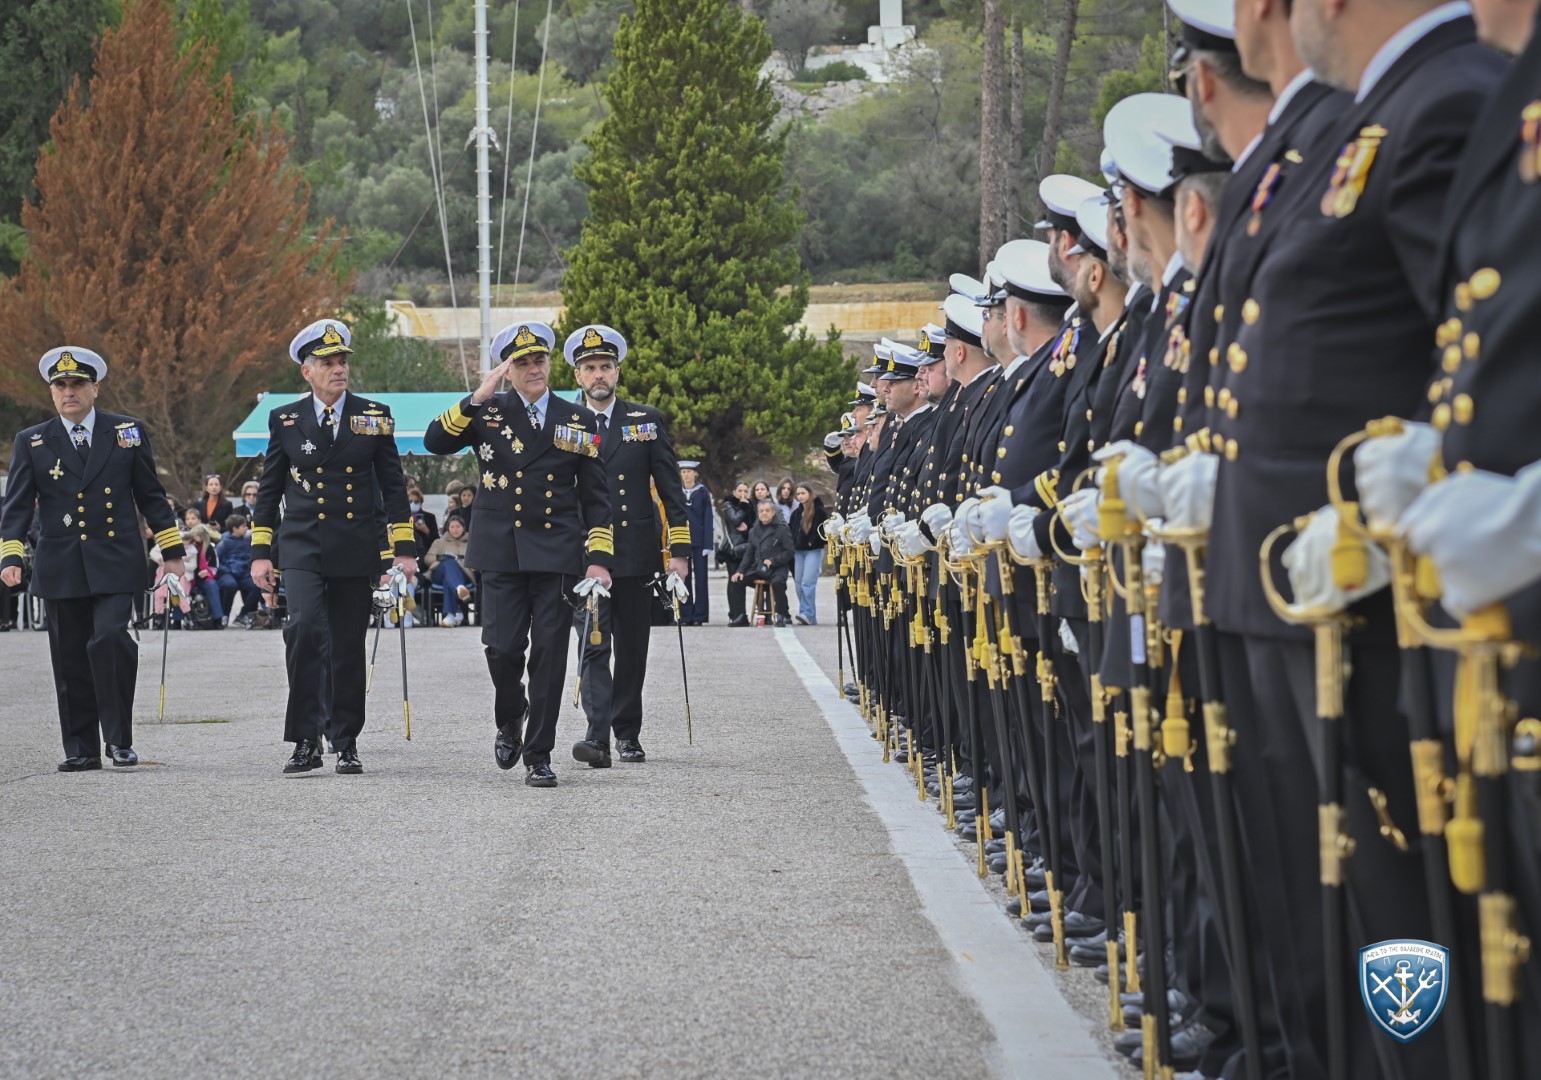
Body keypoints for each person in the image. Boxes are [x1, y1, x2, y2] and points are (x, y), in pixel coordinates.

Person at [423, 321, 612, 788]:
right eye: (522, 363)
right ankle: (511, 715)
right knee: (502, 648)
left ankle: (538, 754)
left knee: (549, 655)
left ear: (549, 364)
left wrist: (598, 558)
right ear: (507, 371)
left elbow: (595, 495)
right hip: (501, 549)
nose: (533, 369)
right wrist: (476, 396)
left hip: (556, 551)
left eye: (539, 360)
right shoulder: (488, 411)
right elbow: (434, 441)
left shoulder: (577, 419)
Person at [0, 346, 186, 770]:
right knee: (69, 657)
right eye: (61, 385)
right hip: (62, 561)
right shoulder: (33, 441)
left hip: (116, 558)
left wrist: (172, 553)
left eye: (78, 384)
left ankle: (118, 740)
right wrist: (11, 555)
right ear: (52, 393)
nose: (69, 392)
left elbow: (151, 495)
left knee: (110, 639)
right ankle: (81, 749)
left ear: (95, 388)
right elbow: (17, 505)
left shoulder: (127, 432)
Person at [249, 318, 418, 776]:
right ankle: (306, 739)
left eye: (342, 361)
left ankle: (345, 739)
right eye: (328, 363)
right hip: (301, 544)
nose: (338, 369)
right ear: (307, 372)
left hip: (354, 544)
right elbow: (269, 490)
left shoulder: (374, 416)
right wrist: (261, 553)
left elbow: (392, 486)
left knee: (346, 644)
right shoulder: (285, 419)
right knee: (304, 629)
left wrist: (403, 550)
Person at [564, 323, 692, 767]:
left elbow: (671, 489)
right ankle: (597, 735)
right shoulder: (566, 422)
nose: (598, 375)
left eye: (605, 367)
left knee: (633, 649)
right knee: (593, 644)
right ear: (578, 376)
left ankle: (627, 732)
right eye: (590, 368)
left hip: (636, 553)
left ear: (617, 372)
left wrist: (679, 553)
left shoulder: (645, 420)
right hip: (586, 556)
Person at [728, 499, 795, 626]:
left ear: (773, 512)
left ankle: (783, 614)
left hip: (777, 568)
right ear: (758, 513)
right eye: (761, 511)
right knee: (736, 581)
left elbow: (789, 552)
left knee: (778, 583)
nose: (764, 513)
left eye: (767, 510)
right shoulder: (754, 531)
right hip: (759, 568)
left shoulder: (782, 529)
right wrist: (740, 571)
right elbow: (749, 554)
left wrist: (773, 561)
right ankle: (740, 616)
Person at [679, 460, 713, 624]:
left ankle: (700, 615)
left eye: (689, 471)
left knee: (701, 579)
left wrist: (708, 544)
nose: (686, 474)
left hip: (699, 541)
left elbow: (708, 518)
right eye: (683, 472)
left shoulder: (703, 492)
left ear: (695, 474)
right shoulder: (677, 491)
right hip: (683, 540)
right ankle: (686, 615)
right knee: (684, 578)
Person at [424, 514, 474, 626]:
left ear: (463, 528)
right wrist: (442, 558)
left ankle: (450, 615)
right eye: (452, 527)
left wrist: (461, 562)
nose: (455, 530)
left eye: (458, 526)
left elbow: (477, 562)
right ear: (448, 528)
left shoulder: (470, 542)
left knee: (449, 579)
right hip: (439, 572)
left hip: (464, 573)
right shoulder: (439, 542)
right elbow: (428, 559)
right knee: (449, 563)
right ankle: (459, 589)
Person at [788, 483, 827, 624]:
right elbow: (790, 530)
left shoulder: (819, 511)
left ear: (810, 493)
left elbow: (823, 531)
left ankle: (807, 614)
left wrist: (812, 542)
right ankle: (809, 616)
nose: (800, 496)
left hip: (813, 550)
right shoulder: (796, 513)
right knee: (798, 584)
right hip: (798, 551)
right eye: (798, 494)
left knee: (807, 583)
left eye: (803, 493)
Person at [216, 514, 262, 627]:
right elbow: (217, 562)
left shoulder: (247, 540)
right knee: (230, 585)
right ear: (235, 529)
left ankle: (243, 615)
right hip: (227, 573)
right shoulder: (224, 542)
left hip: (244, 573)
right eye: (243, 526)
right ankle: (224, 615)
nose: (246, 528)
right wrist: (228, 570)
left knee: (258, 585)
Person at [720, 482, 755, 612]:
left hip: (746, 547)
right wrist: (743, 506)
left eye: (745, 491)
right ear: (734, 492)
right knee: (733, 580)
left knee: (742, 579)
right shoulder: (729, 504)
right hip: (733, 548)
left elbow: (753, 524)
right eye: (740, 491)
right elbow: (735, 520)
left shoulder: (750, 504)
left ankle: (741, 613)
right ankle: (735, 613)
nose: (743, 494)